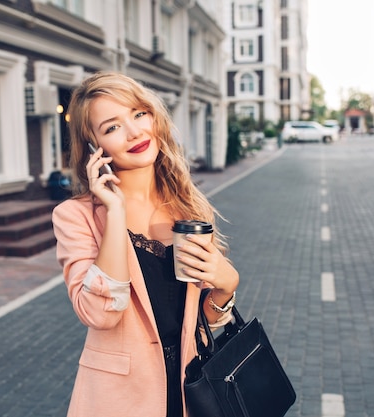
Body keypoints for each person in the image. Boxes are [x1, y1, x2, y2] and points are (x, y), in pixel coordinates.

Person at [52, 71, 240, 417]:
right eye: (111, 127)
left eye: (139, 113)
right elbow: (100, 315)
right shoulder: (75, 216)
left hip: (190, 392)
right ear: (94, 147)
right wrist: (115, 211)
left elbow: (203, 326)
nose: (135, 132)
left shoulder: (187, 207)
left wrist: (226, 288)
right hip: (120, 399)